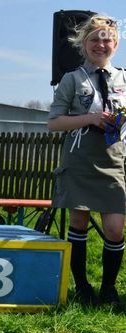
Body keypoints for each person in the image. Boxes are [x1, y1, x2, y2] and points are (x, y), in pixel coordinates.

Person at [47, 14, 126, 310]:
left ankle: (108, 289)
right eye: (94, 39)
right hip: (79, 160)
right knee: (78, 222)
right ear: (84, 43)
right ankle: (82, 287)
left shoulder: (124, 79)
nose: (101, 45)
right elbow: (54, 123)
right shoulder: (72, 79)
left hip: (113, 160)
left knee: (115, 229)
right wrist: (90, 118)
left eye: (107, 39)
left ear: (115, 44)